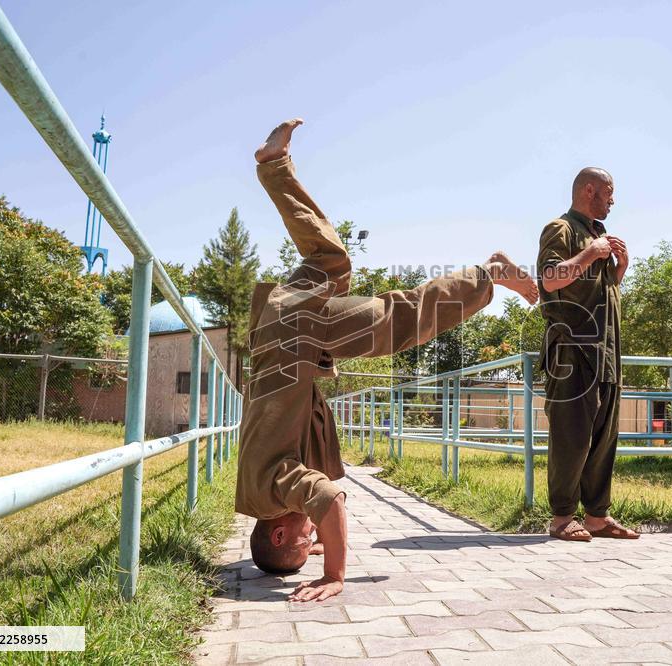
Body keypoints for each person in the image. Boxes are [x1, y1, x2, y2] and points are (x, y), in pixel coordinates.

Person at [236, 118, 539, 602]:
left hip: (295, 337)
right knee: (333, 264)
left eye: (304, 539)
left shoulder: (274, 489)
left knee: (397, 316)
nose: (311, 535)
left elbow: (331, 500)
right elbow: (314, 498)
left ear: (277, 533)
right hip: (285, 332)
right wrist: (314, 535)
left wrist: (334, 574)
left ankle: (489, 273)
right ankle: (275, 167)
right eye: (313, 541)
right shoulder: (257, 494)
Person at [536, 167, 639, 542]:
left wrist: (619, 270)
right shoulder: (561, 229)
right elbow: (550, 279)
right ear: (590, 190)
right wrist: (591, 252)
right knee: (572, 436)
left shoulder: (599, 236)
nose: (613, 200)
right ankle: (562, 517)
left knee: (603, 438)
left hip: (607, 353)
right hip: (572, 350)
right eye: (609, 192)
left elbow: (600, 292)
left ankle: (597, 516)